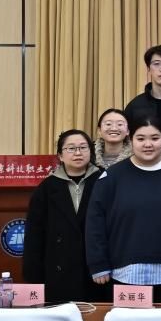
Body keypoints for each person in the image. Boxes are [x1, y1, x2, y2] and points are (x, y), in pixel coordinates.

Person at [86, 117, 161, 303]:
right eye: (140, 138)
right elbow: (95, 222)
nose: (148, 144)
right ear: (130, 139)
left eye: (155, 138)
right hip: (125, 274)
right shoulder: (112, 176)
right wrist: (98, 264)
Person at [24, 129, 103, 304]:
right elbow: (34, 235)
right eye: (71, 148)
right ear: (60, 155)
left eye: (83, 147)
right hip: (58, 268)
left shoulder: (104, 180)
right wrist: (33, 275)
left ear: (91, 151)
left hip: (96, 270)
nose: (78, 153)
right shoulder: (46, 188)